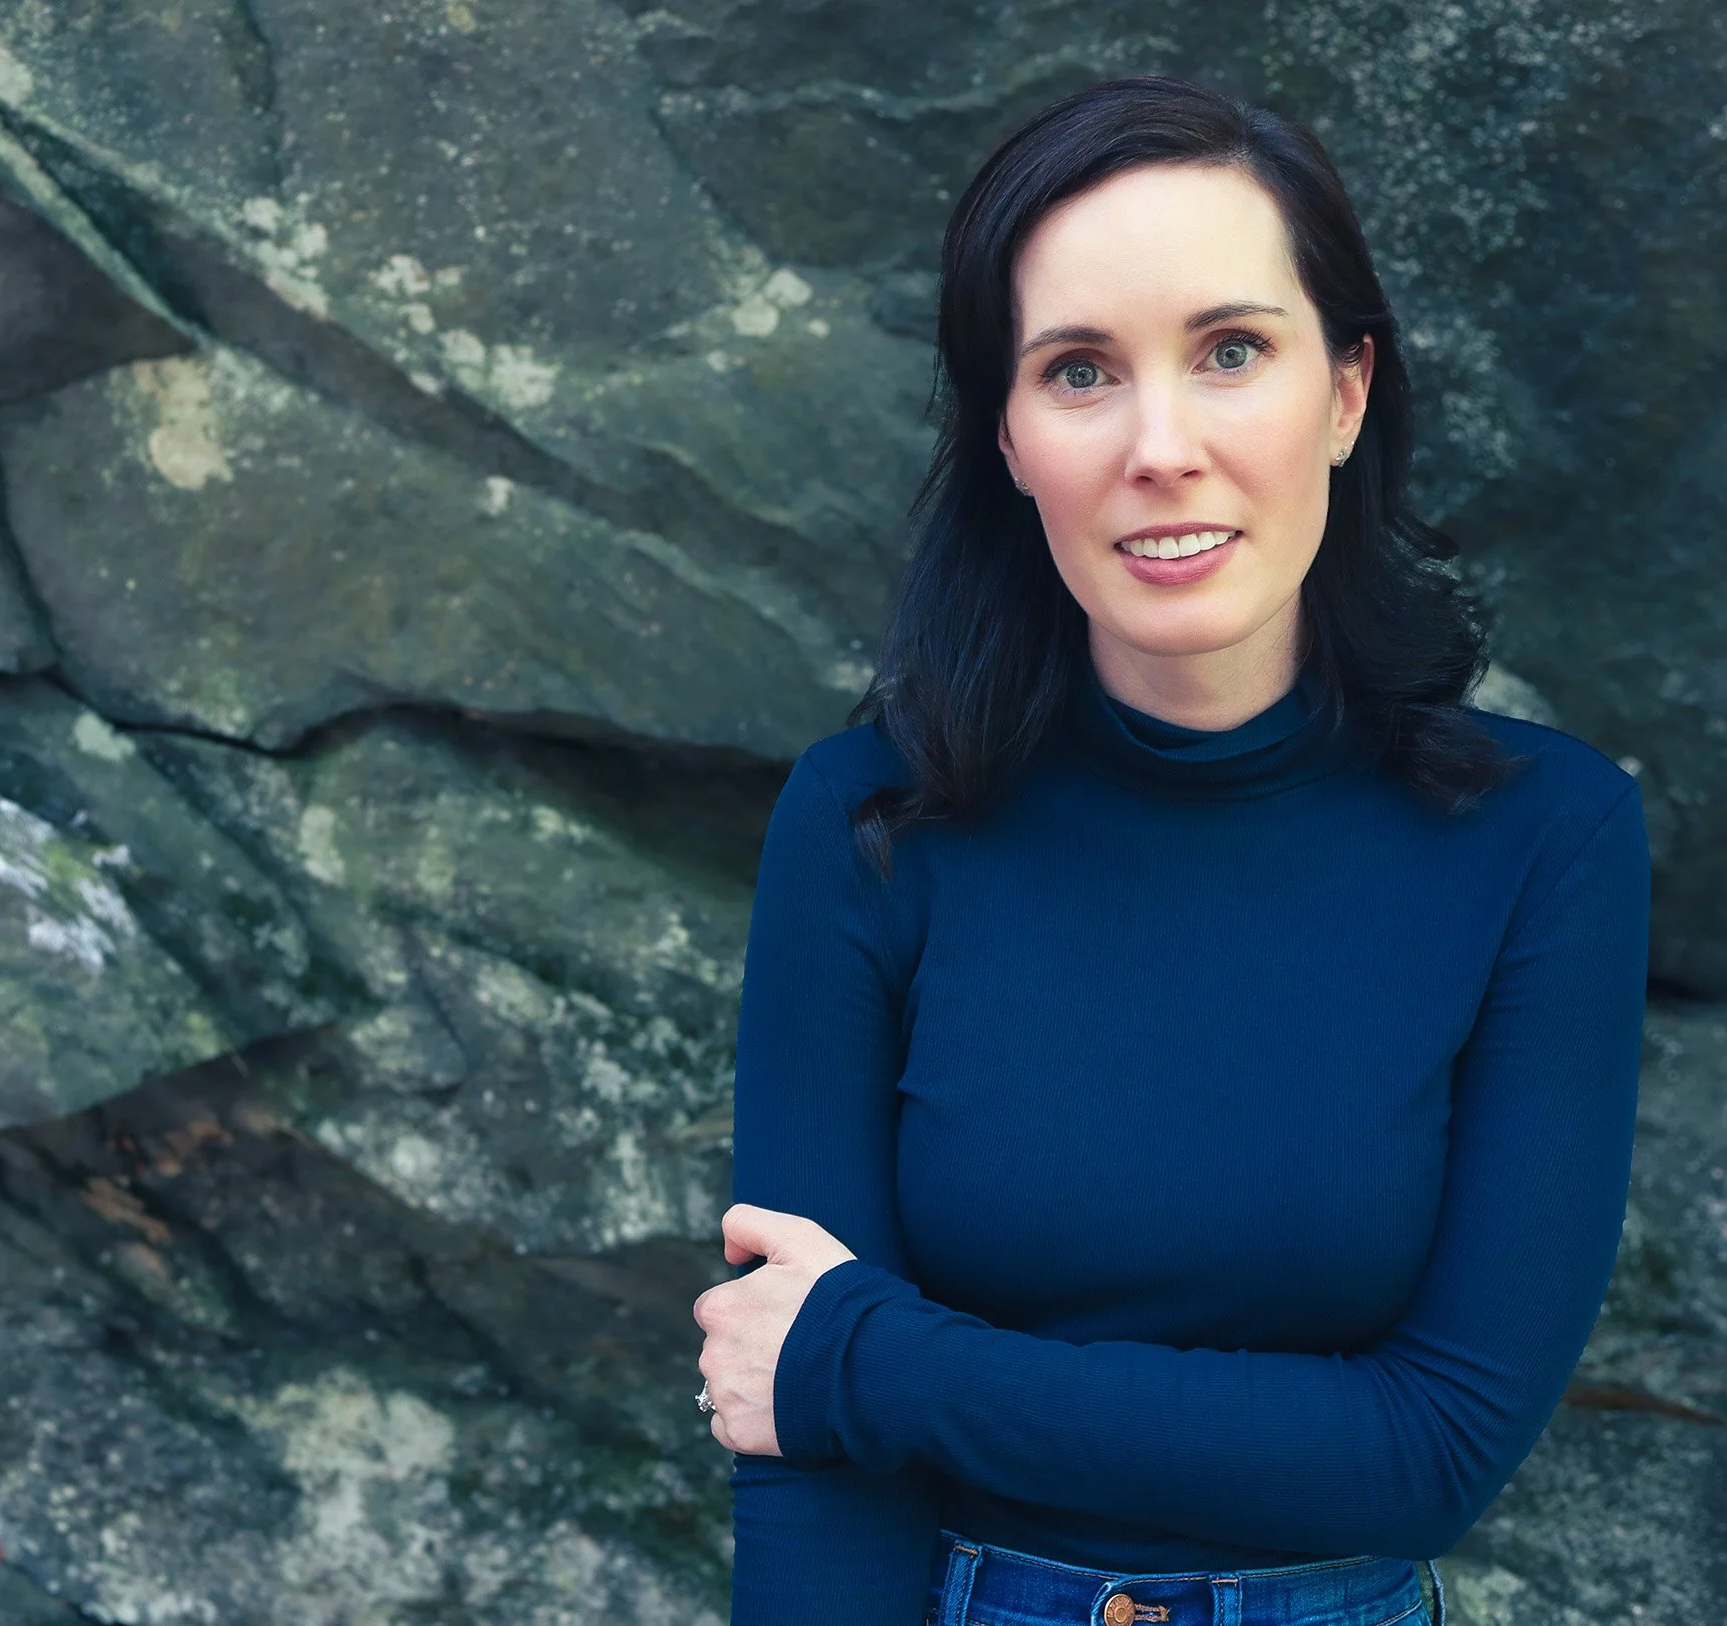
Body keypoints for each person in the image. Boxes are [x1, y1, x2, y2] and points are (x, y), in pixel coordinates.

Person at [690, 74, 1650, 1626]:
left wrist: (870, 1355)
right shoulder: (871, 821)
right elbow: (807, 1461)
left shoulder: (1545, 838)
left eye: (1231, 352)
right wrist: (832, 1377)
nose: (1162, 445)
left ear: (1344, 392)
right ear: (1006, 433)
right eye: (1079, 371)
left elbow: (1433, 1447)